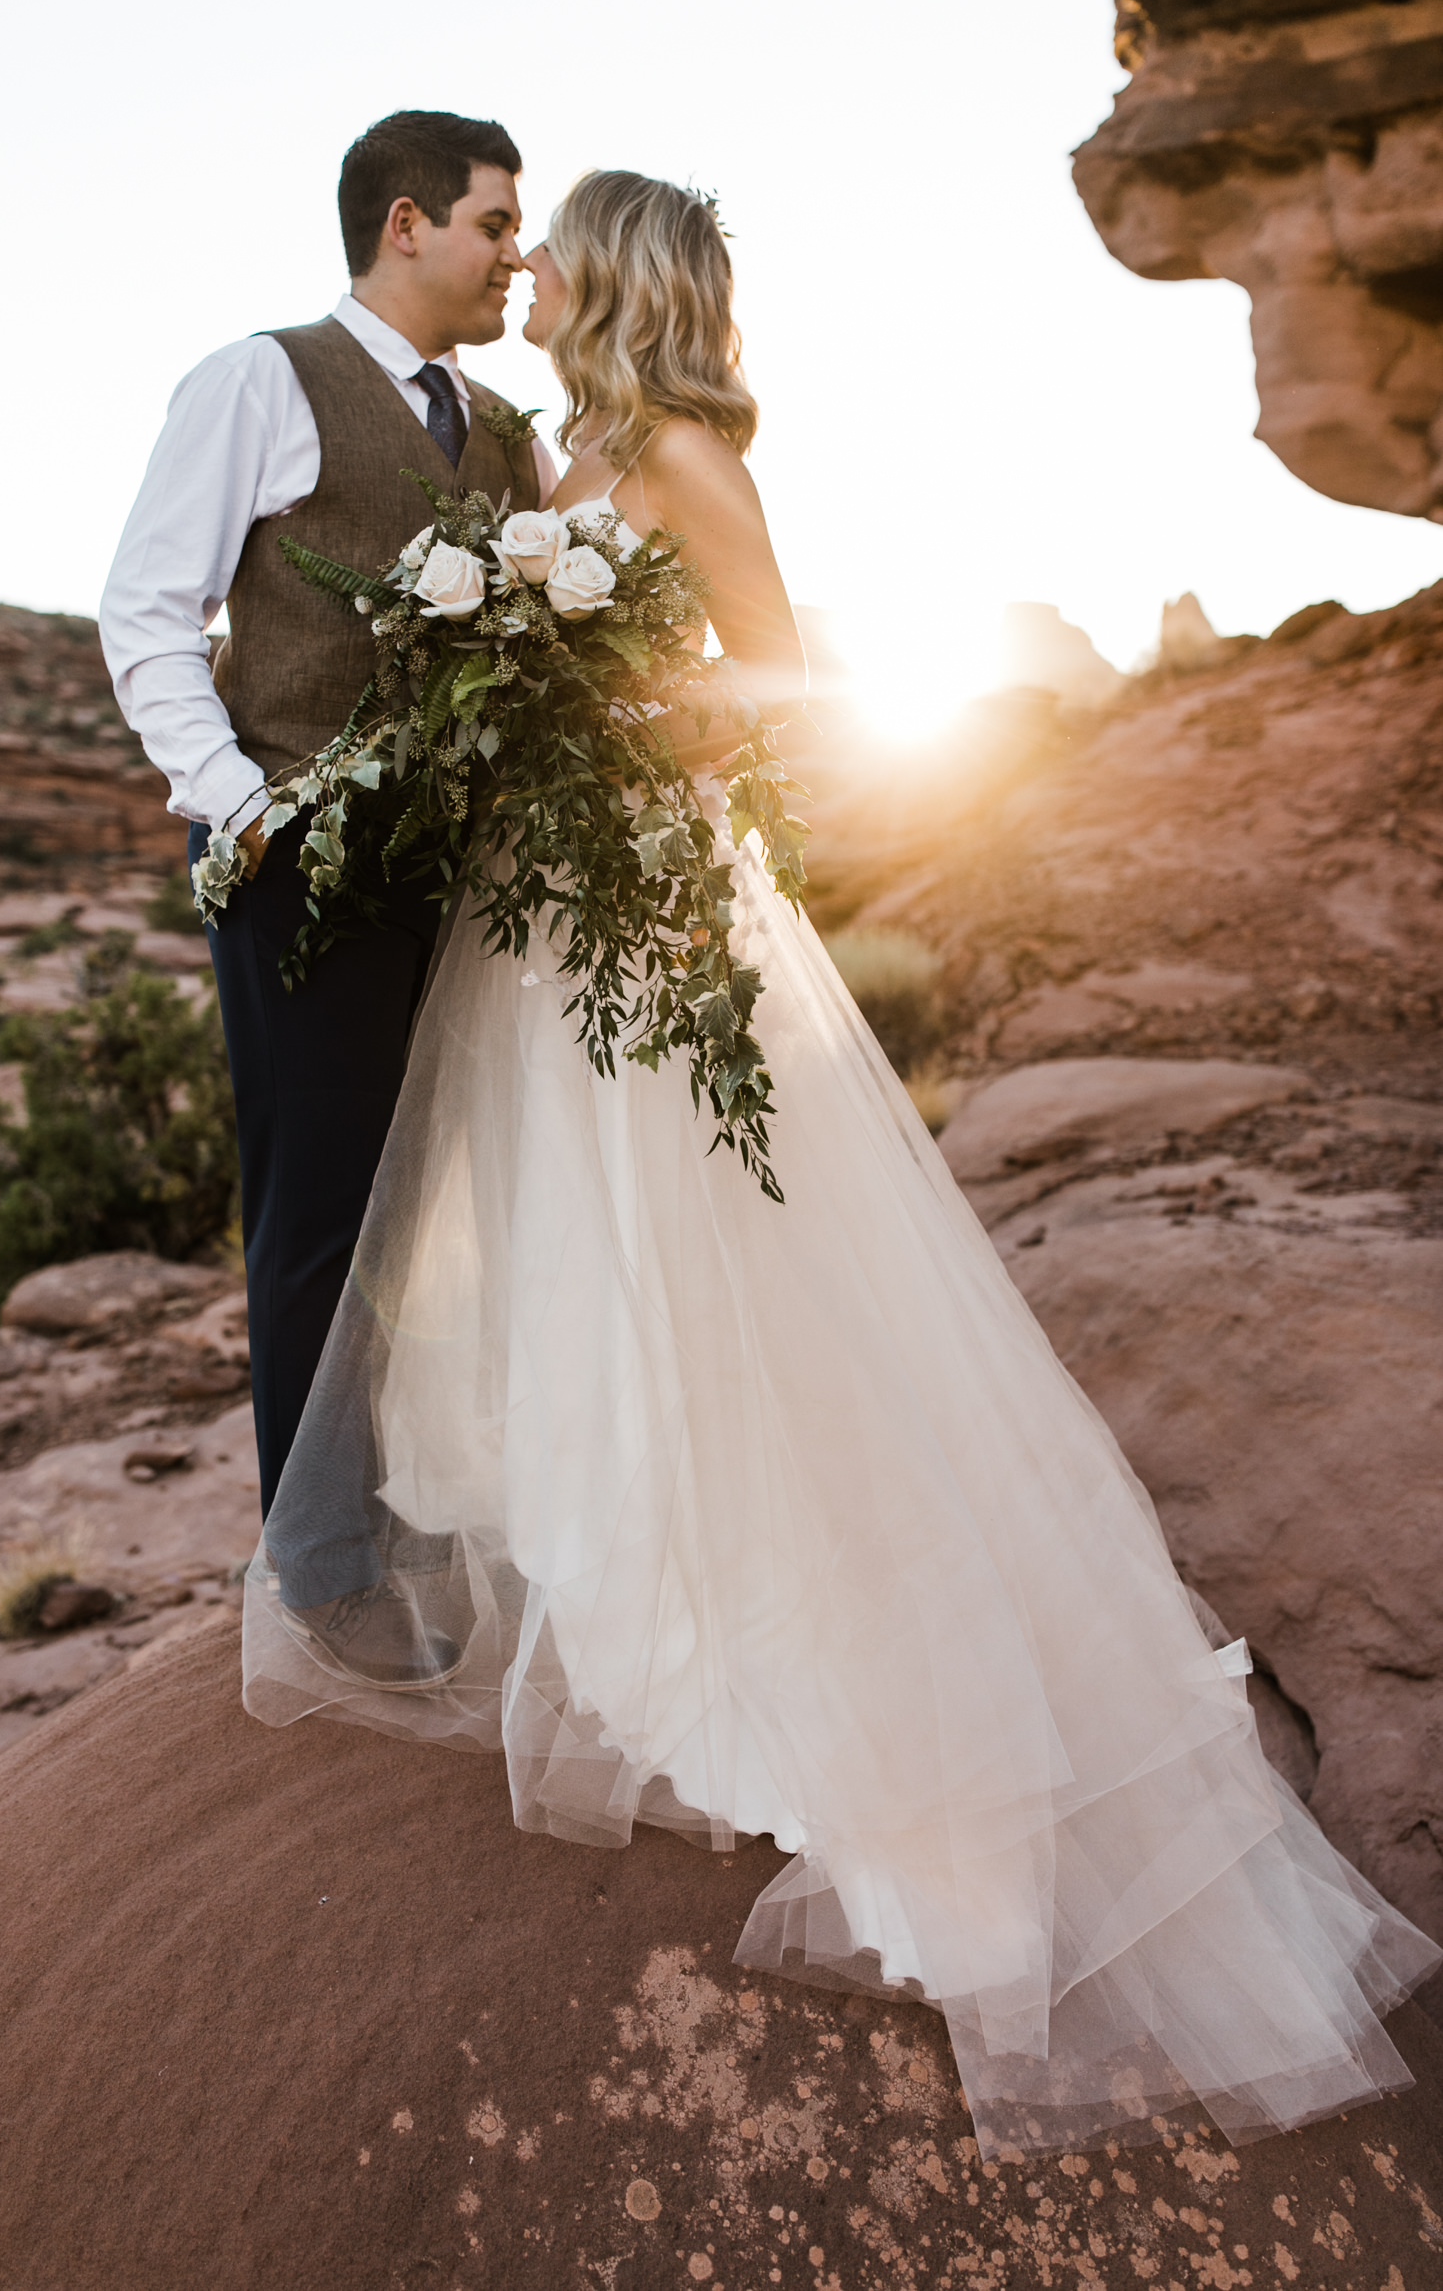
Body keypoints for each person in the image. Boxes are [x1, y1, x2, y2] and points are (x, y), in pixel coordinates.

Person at [241, 171, 1439, 2158]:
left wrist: (594, 713)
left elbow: (784, 682)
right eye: (503, 242)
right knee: (574, 1256)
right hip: (541, 907)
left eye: (555, 248)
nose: (524, 272)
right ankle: (629, 1602)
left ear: (624, 278)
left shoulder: (692, 455)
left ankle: (810, 1675)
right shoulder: (580, 445)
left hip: (648, 892)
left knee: (703, 1251)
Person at [98, 112, 556, 1668]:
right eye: (498, 223)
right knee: (320, 1216)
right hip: (302, 866)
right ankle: (326, 1565)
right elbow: (146, 612)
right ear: (409, 223)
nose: (517, 253)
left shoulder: (504, 427)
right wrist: (252, 810)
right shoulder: (262, 379)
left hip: (461, 875)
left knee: (426, 1201)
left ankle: (376, 1494)